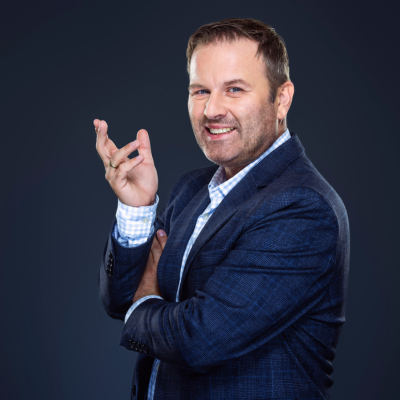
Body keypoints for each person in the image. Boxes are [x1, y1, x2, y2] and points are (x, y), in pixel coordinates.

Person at [94, 18, 350, 400]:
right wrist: (138, 207)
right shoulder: (191, 190)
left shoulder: (303, 207)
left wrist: (146, 299)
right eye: (201, 91)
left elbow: (199, 339)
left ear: (282, 99)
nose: (212, 110)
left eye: (234, 89)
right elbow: (118, 299)